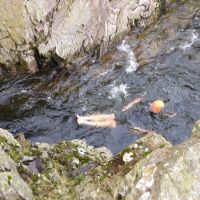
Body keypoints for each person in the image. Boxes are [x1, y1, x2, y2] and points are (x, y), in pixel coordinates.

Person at [76, 98, 166, 128]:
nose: (151, 105)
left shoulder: (152, 117)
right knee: (108, 116)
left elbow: (149, 128)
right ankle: (83, 118)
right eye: (152, 103)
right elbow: (139, 99)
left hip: (128, 123)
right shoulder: (148, 103)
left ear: (156, 110)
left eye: (153, 106)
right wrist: (129, 106)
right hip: (126, 114)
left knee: (108, 122)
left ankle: (84, 122)